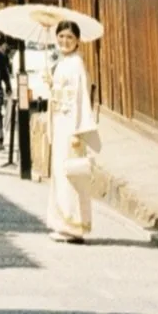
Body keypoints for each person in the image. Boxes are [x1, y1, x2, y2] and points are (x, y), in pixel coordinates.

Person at [47, 19, 100, 243]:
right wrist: (51, 84)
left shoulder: (76, 63)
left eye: (69, 37)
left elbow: (81, 98)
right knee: (61, 173)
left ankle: (73, 226)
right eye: (61, 36)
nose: (65, 41)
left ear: (77, 40)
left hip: (71, 124)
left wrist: (79, 131)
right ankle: (63, 223)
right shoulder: (63, 62)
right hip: (60, 121)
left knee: (70, 174)